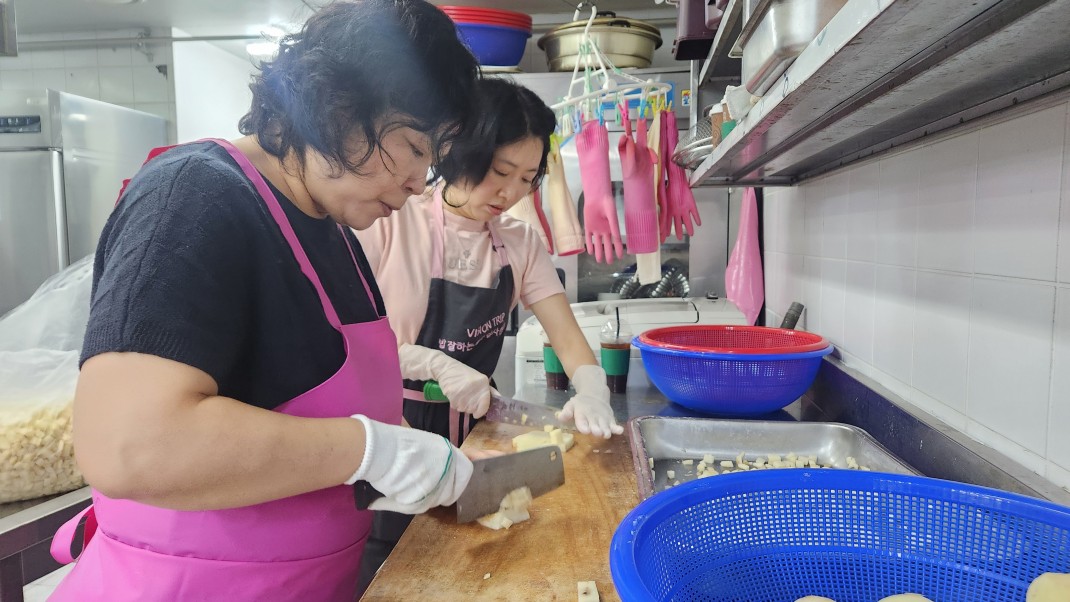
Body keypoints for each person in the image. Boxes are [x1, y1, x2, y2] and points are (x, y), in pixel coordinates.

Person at [46, 2, 482, 600]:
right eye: (412, 146)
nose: (417, 181)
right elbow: (130, 445)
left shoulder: (333, 230)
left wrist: (411, 453)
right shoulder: (193, 196)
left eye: (431, 161)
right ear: (337, 107)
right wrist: (373, 449)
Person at [355, 78, 625, 590]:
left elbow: (567, 339)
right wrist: (433, 364)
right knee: (394, 565)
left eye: (526, 178)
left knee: (472, 561)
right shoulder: (390, 223)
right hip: (395, 429)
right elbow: (352, 348)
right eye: (500, 172)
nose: (511, 193)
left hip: (475, 431)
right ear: (459, 152)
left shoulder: (520, 243)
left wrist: (591, 388)